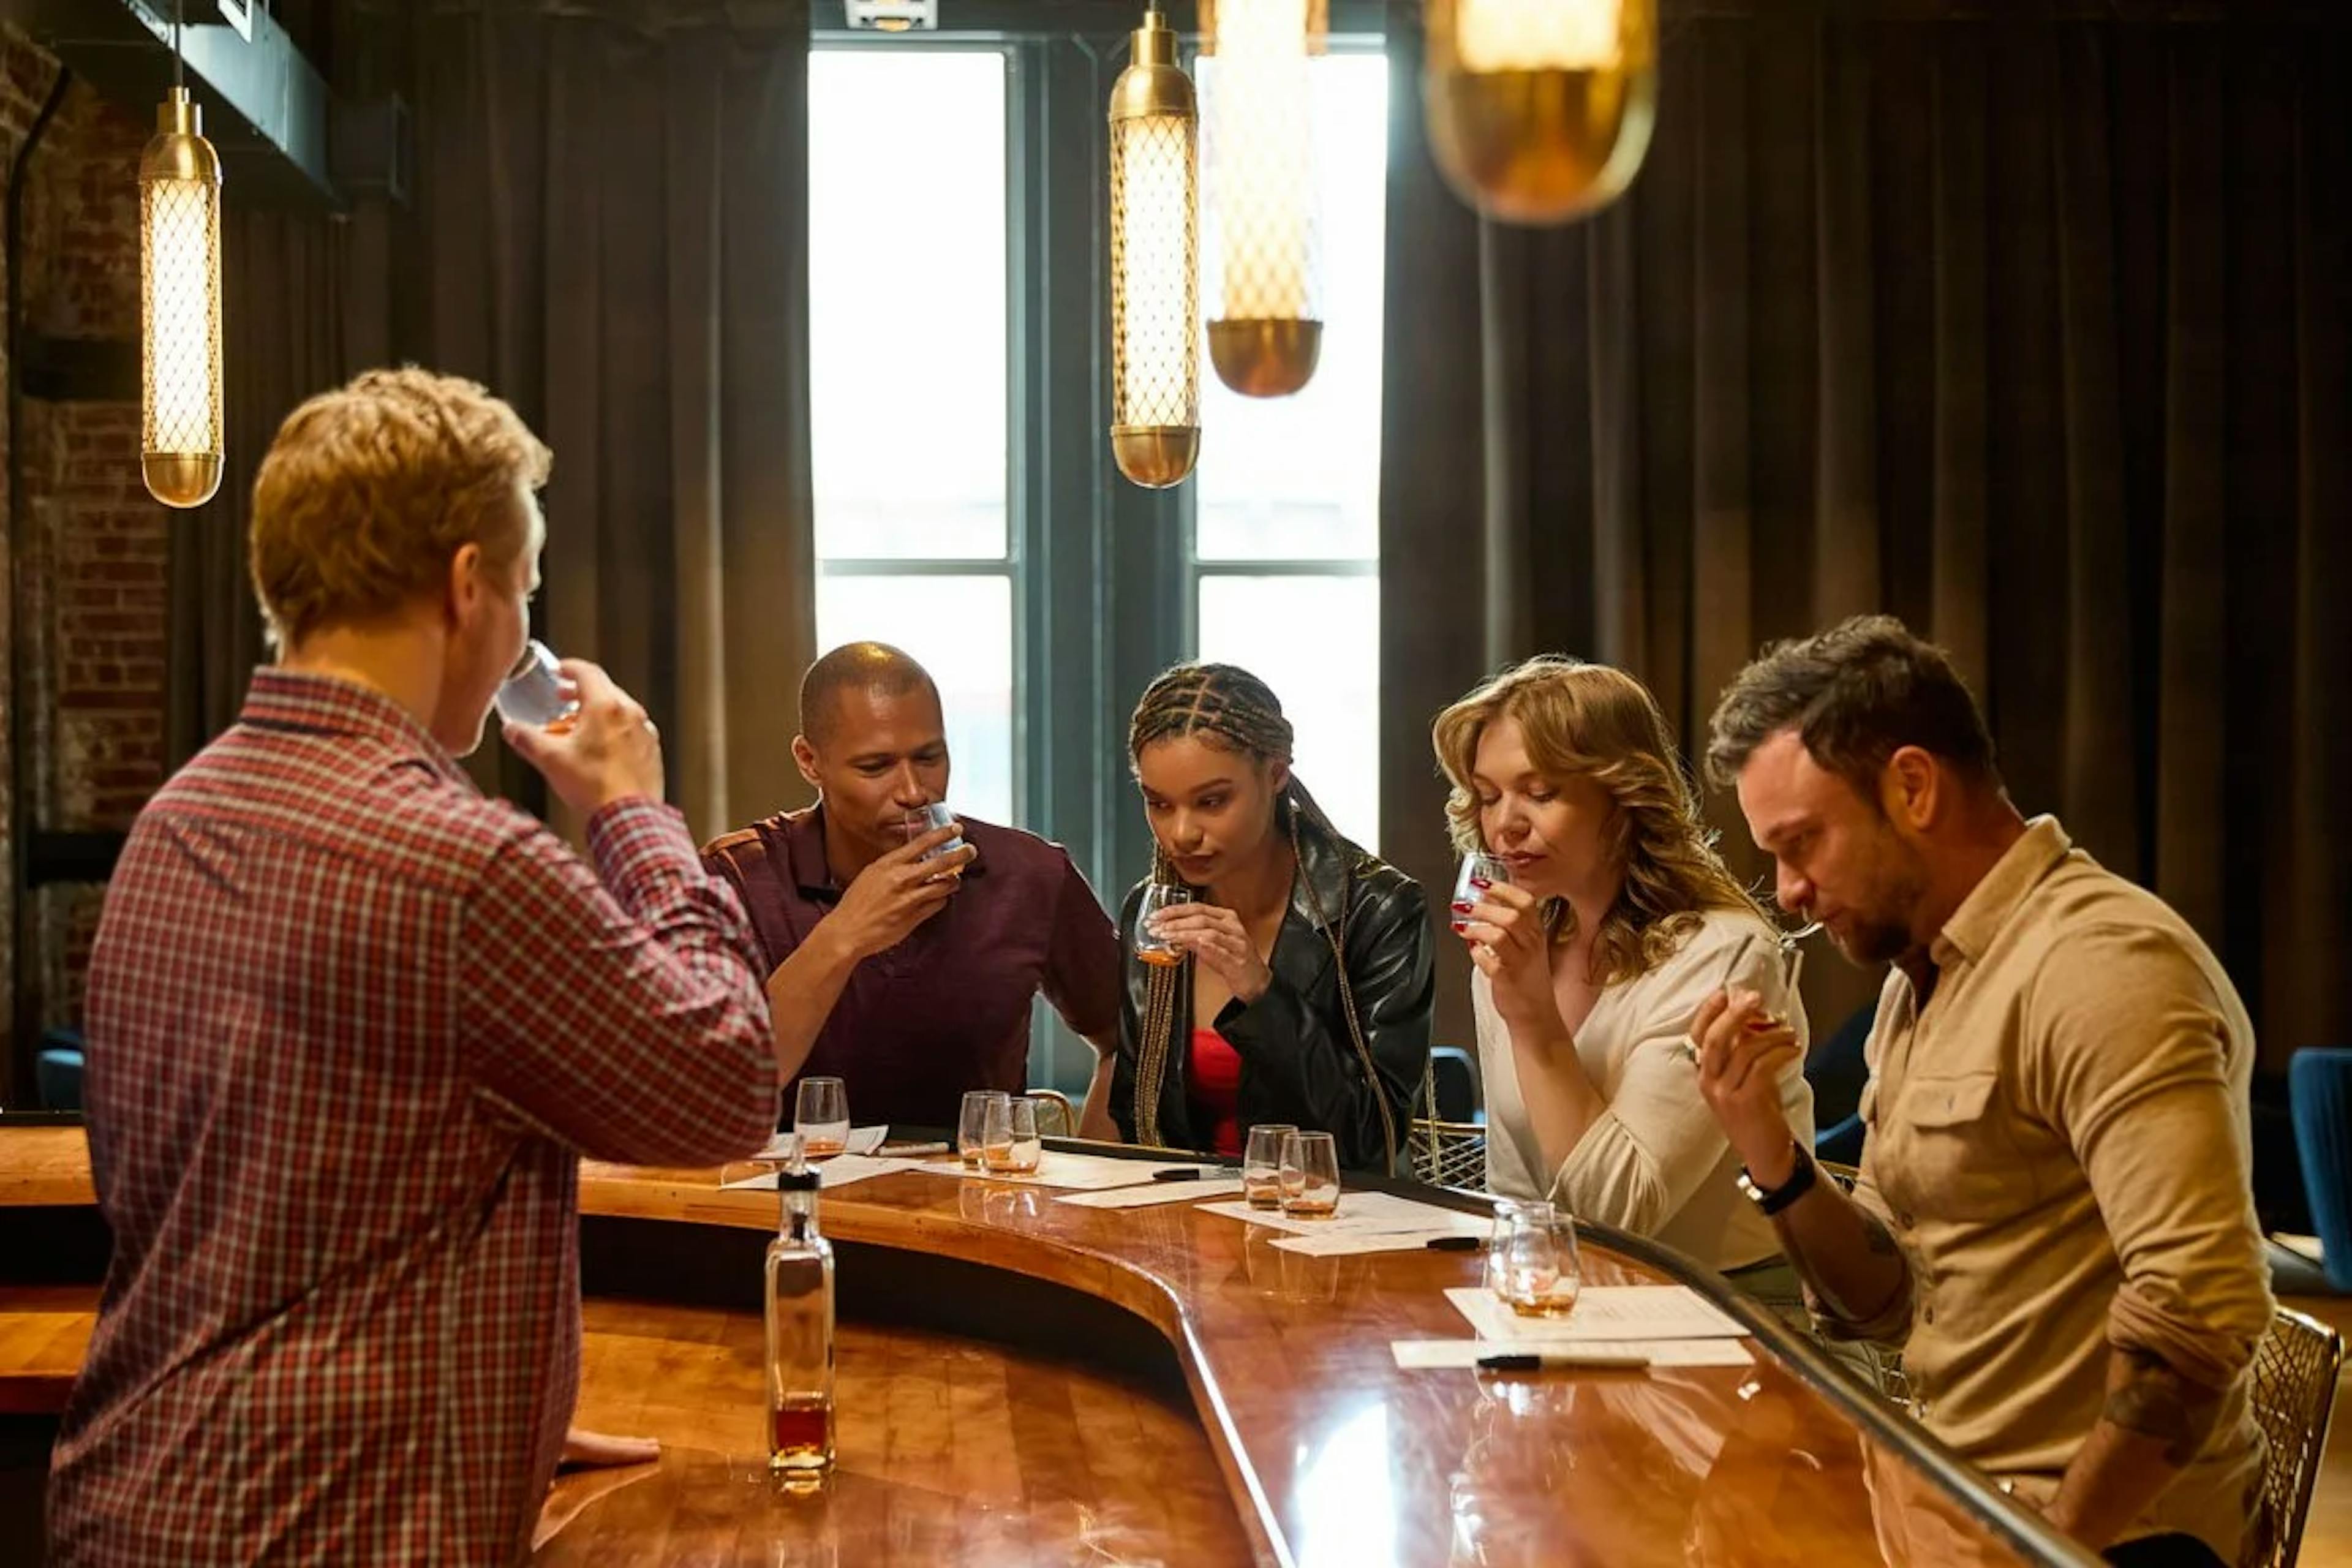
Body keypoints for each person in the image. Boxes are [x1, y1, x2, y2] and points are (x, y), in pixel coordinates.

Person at [47, 369, 778, 1564]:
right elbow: (729, 1079)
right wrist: (634, 812)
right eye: (524, 592)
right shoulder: (463, 865)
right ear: (468, 583)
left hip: (144, 1493)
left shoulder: (174, 821)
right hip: (329, 1525)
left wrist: (499, 1400)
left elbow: (281, 1194)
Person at [1692, 615, 2272, 1568]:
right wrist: (1767, 1150)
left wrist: (2042, 1549)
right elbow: (1883, 1301)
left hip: (2098, 1540)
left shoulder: (2101, 965)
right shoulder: (1919, 981)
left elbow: (2201, 1314)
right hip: (1941, 1499)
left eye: (1802, 844)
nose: (1788, 890)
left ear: (1913, 787)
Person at [1433, 657, 1814, 1278]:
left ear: (1624, 796)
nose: (1505, 824)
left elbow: (1619, 1216)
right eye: (1487, 796)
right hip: (1559, 1296)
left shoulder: (1722, 953)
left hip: (1724, 1317)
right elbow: (1515, 1187)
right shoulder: (1518, 948)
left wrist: (1533, 1019)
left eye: (1540, 792)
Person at [702, 643, 1123, 1134]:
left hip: (974, 1201)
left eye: (929, 758)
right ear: (809, 761)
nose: (912, 791)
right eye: (875, 767)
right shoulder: (737, 878)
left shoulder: (1028, 874)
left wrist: (1090, 1182)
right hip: (785, 1199)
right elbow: (710, 1087)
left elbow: (1129, 1044)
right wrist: (846, 934)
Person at [1111, 662, 1432, 1171]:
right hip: (1182, 1217)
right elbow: (1132, 1116)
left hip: (1327, 1222)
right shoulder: (1151, 911)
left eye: (1212, 801)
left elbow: (1372, 1138)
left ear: (1277, 773)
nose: (1181, 833)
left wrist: (1263, 994)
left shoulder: (1377, 909)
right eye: (1159, 804)